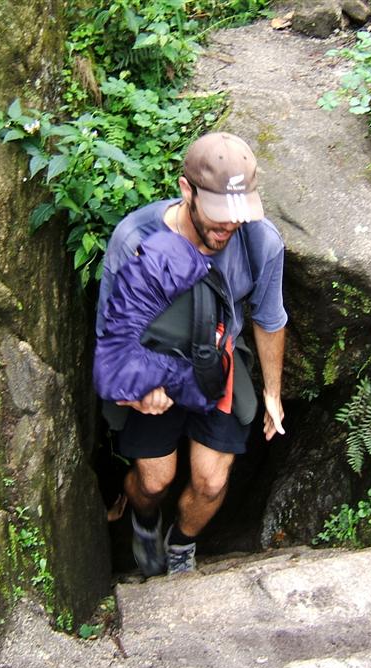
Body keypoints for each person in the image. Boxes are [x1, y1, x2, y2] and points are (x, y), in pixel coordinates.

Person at [96, 132, 287, 576]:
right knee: (154, 481)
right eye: (219, 214)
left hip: (217, 363)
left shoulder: (260, 242)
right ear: (187, 191)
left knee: (211, 482)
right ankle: (143, 518)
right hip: (152, 362)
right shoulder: (135, 239)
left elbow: (268, 318)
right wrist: (136, 392)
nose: (228, 227)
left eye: (237, 216)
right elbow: (113, 332)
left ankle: (181, 544)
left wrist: (273, 393)